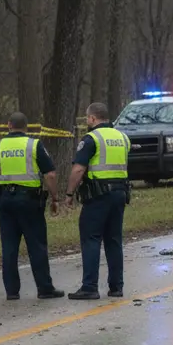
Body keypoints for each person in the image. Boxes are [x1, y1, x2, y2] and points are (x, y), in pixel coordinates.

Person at [0, 113, 65, 300]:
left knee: (9, 248)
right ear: (27, 127)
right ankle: (45, 288)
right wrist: (55, 198)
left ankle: (12, 292)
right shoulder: (34, 145)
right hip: (30, 202)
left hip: (5, 201)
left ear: (8, 125)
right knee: (36, 246)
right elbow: (50, 175)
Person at [66, 102, 130, 300]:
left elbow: (78, 169)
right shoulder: (122, 137)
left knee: (91, 239)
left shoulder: (91, 138)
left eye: (88, 118)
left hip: (98, 195)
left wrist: (69, 193)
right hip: (120, 193)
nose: (87, 122)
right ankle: (116, 287)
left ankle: (90, 287)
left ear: (93, 118)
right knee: (113, 240)